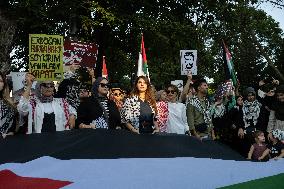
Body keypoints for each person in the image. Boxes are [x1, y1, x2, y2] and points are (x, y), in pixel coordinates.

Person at [0, 71, 17, 138]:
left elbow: (13, 128)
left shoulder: (10, 105)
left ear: (4, 85)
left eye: (0, 81)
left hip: (6, 143)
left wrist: (11, 133)